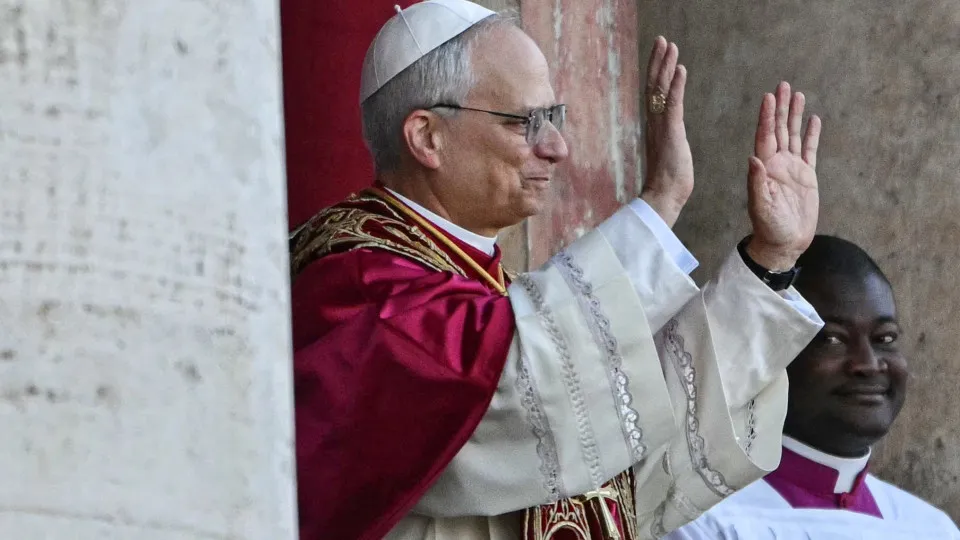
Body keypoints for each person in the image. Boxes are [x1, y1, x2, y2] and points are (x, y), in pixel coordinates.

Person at [290, 1, 825, 538]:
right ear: (428, 136)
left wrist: (769, 263)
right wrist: (658, 205)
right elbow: (510, 390)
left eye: (554, 118)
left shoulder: (485, 292)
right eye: (526, 122)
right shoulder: (355, 284)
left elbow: (635, 438)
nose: (557, 147)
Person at [664, 235, 960, 540]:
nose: (869, 364)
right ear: (769, 355)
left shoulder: (931, 529)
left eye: (884, 338)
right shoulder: (702, 518)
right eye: (832, 339)